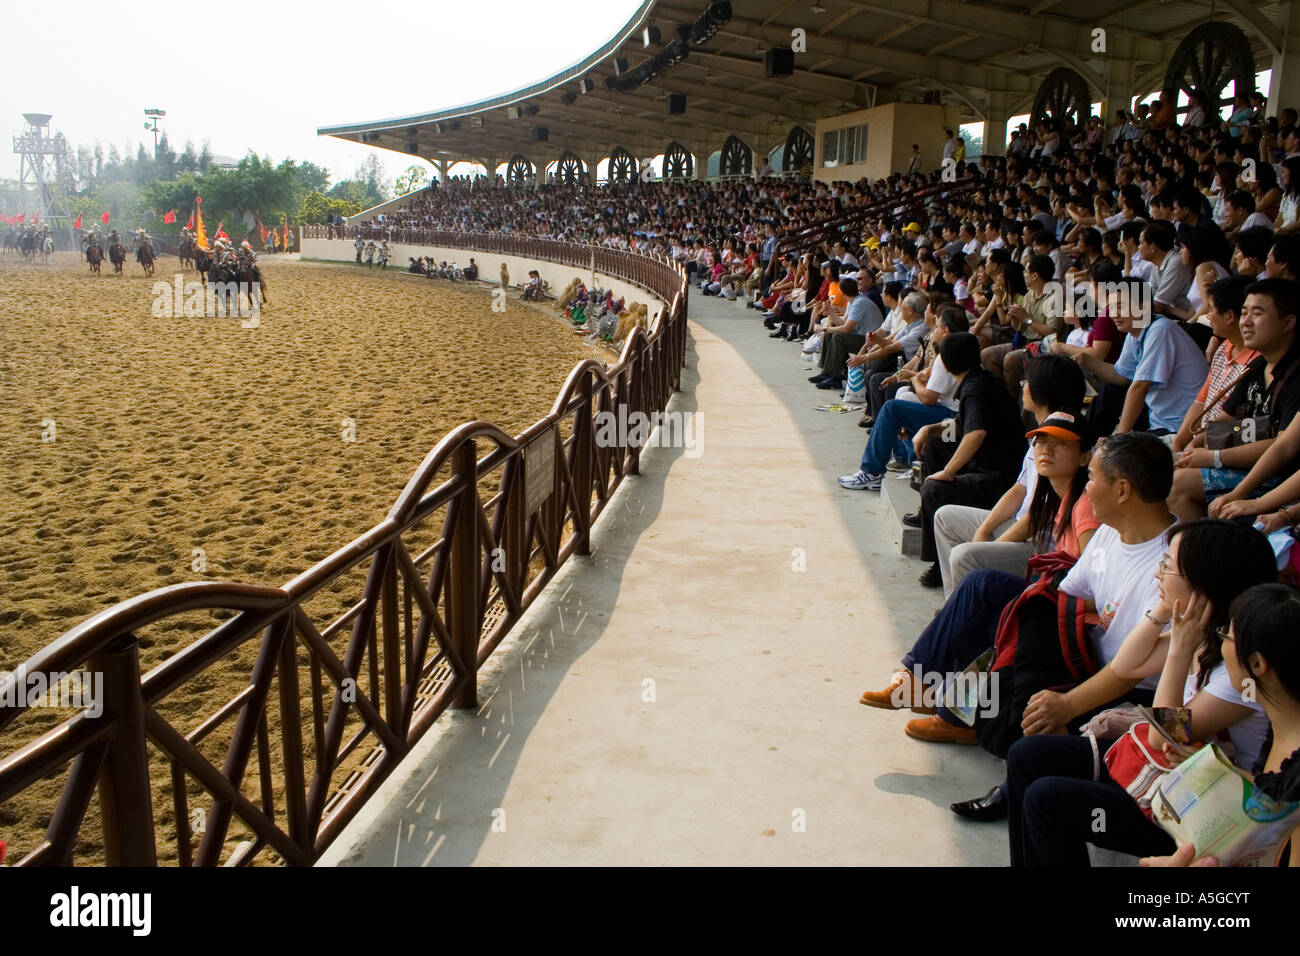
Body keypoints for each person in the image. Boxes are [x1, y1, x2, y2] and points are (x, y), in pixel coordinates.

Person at [1006, 519, 1278, 865]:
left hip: (1201, 816)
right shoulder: (1206, 636)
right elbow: (1126, 667)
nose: (1157, 575)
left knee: (1048, 800)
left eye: (1167, 567)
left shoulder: (1239, 673)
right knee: (1027, 755)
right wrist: (1162, 611)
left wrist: (1179, 651)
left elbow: (1162, 737)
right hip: (1175, 782)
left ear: (1203, 589)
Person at [949, 431, 1178, 821]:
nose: (1085, 490)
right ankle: (961, 706)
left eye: (1091, 478)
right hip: (1089, 657)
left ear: (1122, 490)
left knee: (1034, 702)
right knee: (1024, 611)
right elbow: (1069, 595)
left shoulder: (1172, 565)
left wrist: (1068, 703)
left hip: (1133, 688)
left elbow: (1128, 672)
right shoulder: (1109, 533)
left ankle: (998, 745)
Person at [931, 354, 1087, 594]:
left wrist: (991, 545)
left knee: (965, 556)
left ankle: (969, 616)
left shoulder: (1069, 442)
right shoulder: (1040, 436)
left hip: (1040, 544)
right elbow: (1019, 490)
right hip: (1019, 525)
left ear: (1040, 392)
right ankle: (956, 604)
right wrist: (983, 530)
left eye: (1026, 384)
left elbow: (1037, 517)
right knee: (945, 517)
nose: (1022, 388)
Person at [913, 332, 1028, 587]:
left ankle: (937, 564)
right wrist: (929, 429)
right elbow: (962, 426)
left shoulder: (976, 388)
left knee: (934, 489)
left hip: (999, 478)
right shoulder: (981, 380)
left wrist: (948, 472)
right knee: (935, 443)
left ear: (946, 364)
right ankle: (930, 512)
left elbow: (976, 433)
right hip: (991, 465)